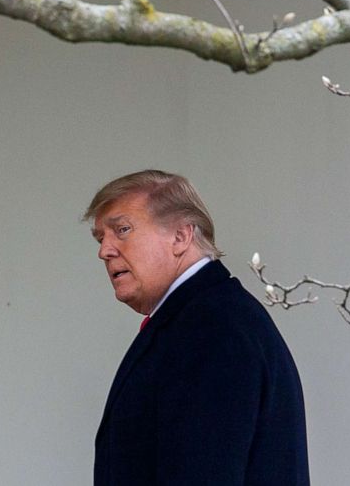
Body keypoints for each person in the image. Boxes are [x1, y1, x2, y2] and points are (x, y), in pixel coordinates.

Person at [85, 170, 311, 485]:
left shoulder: (212, 329)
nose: (104, 250)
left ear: (181, 236)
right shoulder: (204, 318)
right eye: (100, 238)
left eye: (122, 229)